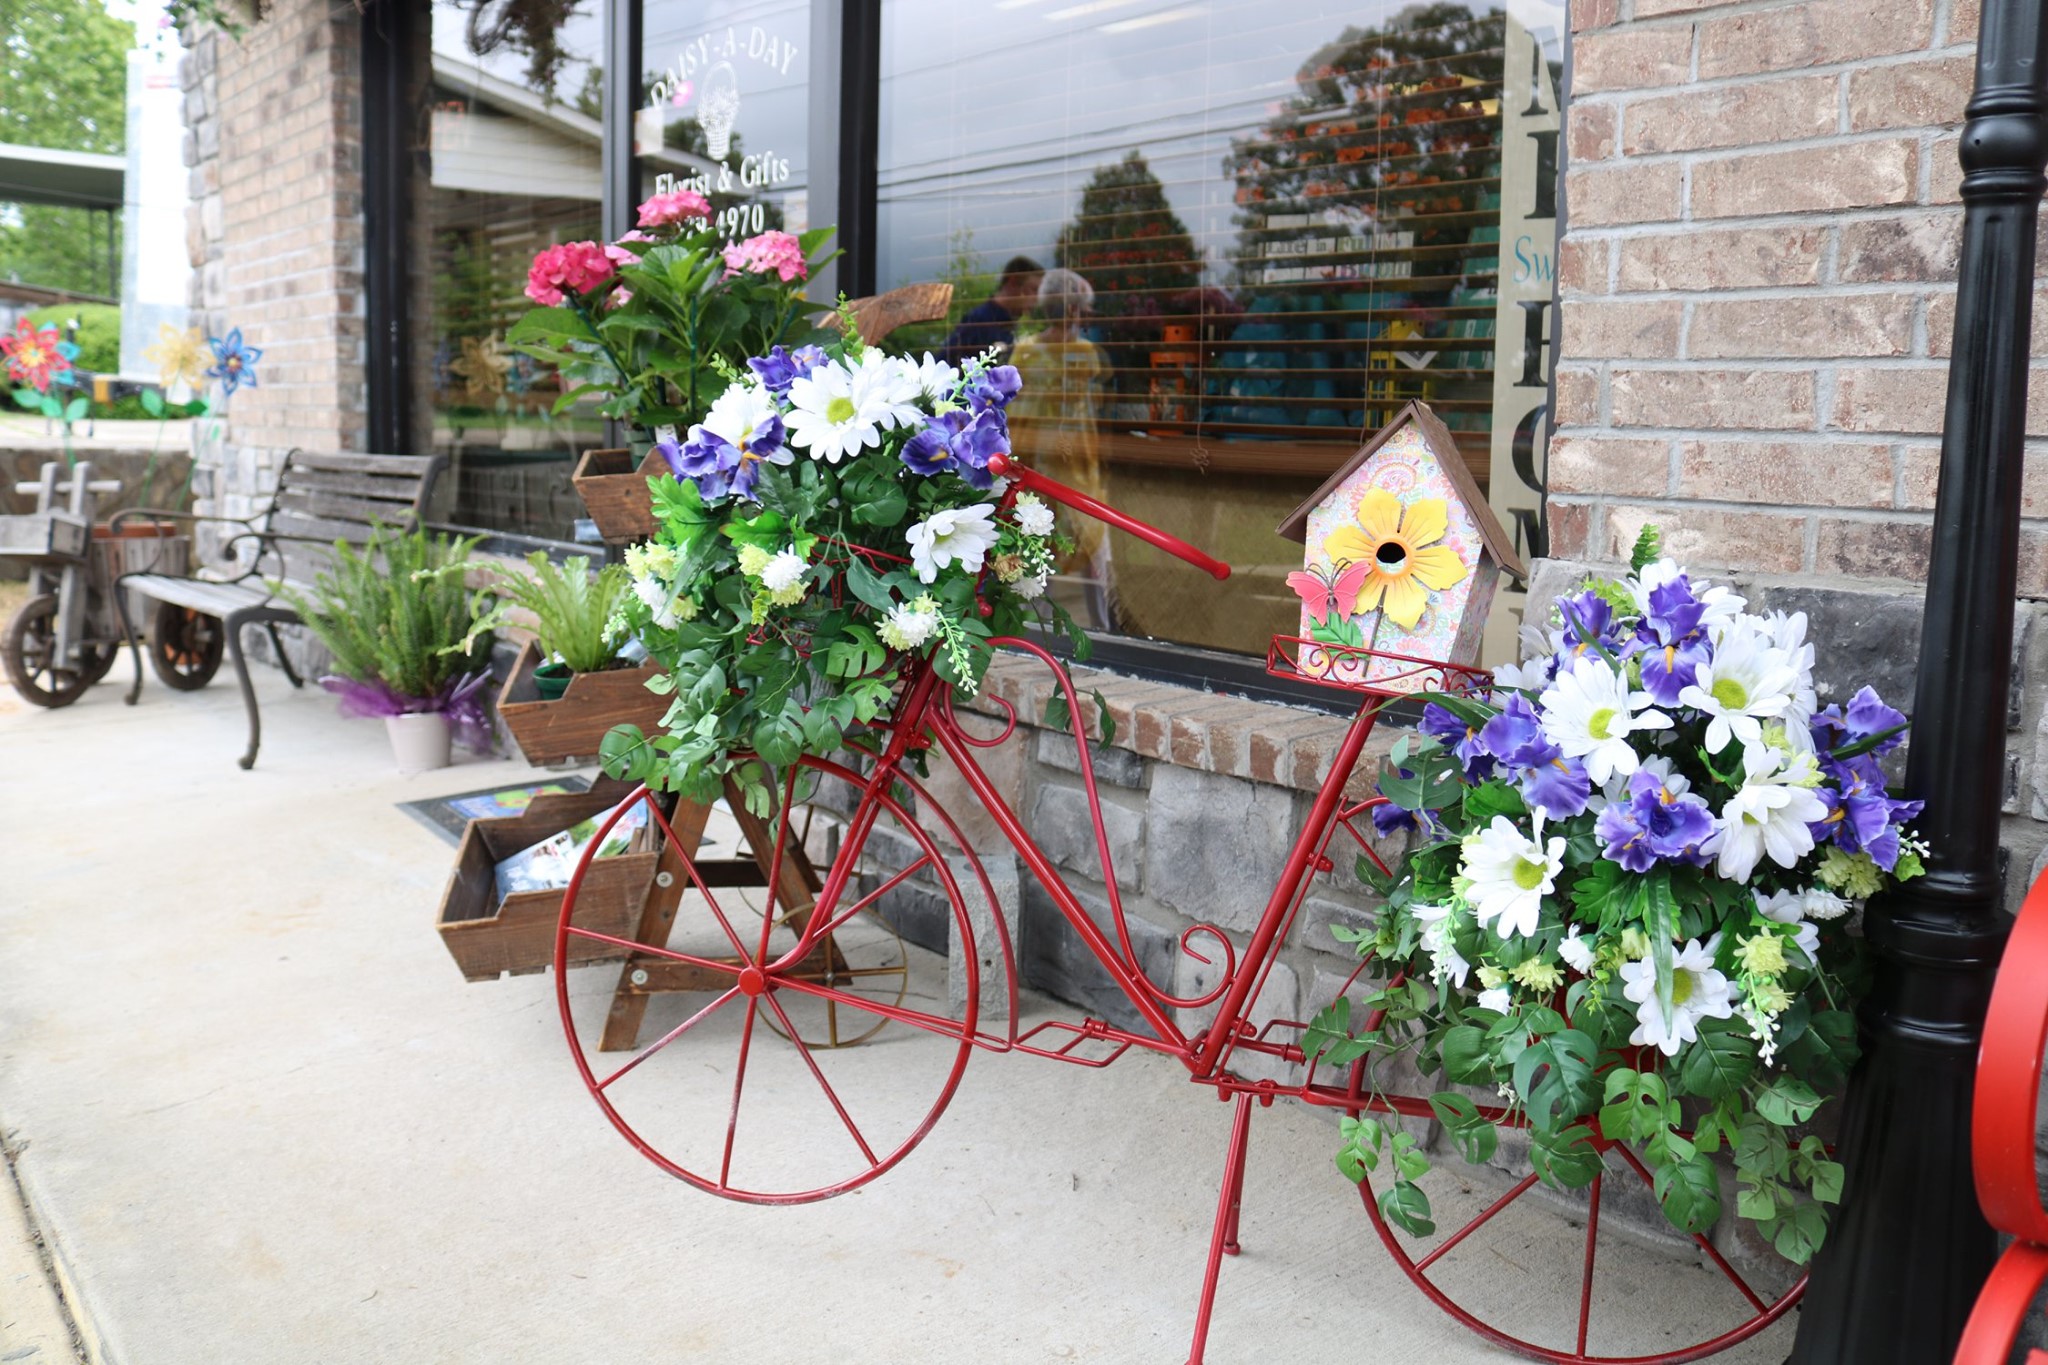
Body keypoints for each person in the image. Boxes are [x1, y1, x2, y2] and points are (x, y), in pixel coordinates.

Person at [1006, 267, 1114, 628]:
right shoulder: (1086, 353)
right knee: (1092, 545)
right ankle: (1105, 628)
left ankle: (1037, 626)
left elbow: (1014, 408)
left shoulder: (1026, 351)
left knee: (1041, 545)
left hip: (1039, 460)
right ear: (1074, 311)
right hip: (1078, 461)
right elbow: (1095, 405)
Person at [941, 256, 1042, 364]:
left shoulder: (1010, 325)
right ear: (1013, 282)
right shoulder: (978, 322)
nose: (1037, 298)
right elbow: (948, 366)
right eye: (1034, 290)